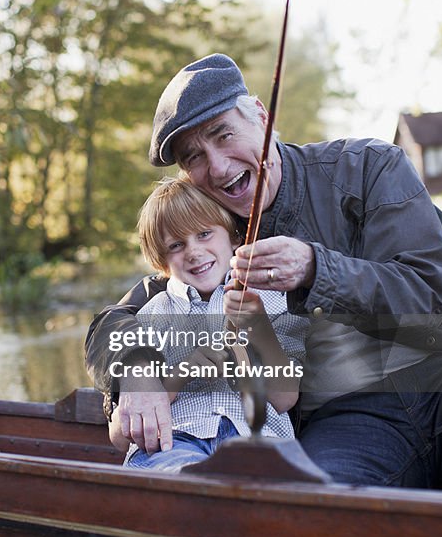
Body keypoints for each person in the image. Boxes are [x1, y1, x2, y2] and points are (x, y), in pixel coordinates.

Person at [86, 53, 442, 491]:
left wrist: (314, 267)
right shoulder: (209, 240)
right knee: (315, 512)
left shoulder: (367, 167)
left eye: (224, 134)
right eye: (194, 157)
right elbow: (112, 323)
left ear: (262, 118)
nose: (219, 166)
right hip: (354, 424)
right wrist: (135, 367)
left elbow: (429, 291)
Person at [108, 176, 305, 472]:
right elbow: (119, 437)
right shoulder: (147, 317)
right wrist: (184, 371)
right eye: (176, 245)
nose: (193, 252)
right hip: (174, 444)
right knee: (181, 478)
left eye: (204, 234)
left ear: (235, 237)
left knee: (269, 477)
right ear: (162, 262)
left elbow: (286, 397)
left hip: (255, 440)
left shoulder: (271, 300)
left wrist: (259, 332)